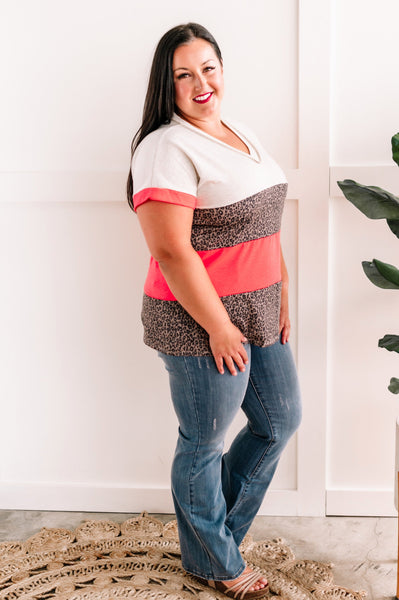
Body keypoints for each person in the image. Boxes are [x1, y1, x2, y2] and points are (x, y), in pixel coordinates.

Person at [127, 22, 302, 600]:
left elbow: (265, 222)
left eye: (208, 68)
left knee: (279, 421)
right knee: (203, 443)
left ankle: (210, 543)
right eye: (184, 74)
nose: (200, 83)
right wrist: (220, 327)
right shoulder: (164, 147)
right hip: (199, 319)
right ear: (166, 84)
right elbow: (172, 250)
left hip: (257, 311)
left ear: (222, 69)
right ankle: (219, 562)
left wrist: (280, 290)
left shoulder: (238, 131)